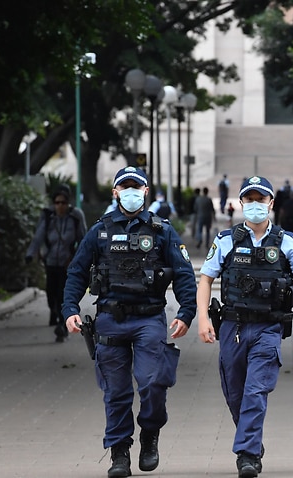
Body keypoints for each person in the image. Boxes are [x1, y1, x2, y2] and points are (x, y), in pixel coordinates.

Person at [62, 166, 197, 478]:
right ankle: (119, 452)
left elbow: (184, 274)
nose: (131, 192)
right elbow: (77, 272)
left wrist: (186, 312)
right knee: (116, 392)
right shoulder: (100, 231)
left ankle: (150, 433)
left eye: (137, 187)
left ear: (146, 191)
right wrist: (69, 308)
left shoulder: (162, 230)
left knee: (152, 383)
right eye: (125, 187)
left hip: (149, 319)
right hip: (110, 319)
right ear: (116, 192)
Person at [196, 176, 293, 478]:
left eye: (261, 200)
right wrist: (203, 318)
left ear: (271, 204)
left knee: (255, 391)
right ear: (241, 203)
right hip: (232, 327)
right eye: (250, 200)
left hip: (268, 329)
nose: (255, 205)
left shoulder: (286, 241)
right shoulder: (226, 240)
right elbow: (206, 279)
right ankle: (251, 440)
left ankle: (247, 454)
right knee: (234, 393)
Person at [25, 185, 87, 341]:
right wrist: (30, 253)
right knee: (50, 292)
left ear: (68, 203)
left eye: (63, 203)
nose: (60, 206)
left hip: (67, 261)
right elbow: (38, 236)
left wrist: (81, 259)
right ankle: (53, 312)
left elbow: (83, 239)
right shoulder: (48, 216)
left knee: (61, 293)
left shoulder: (75, 216)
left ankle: (61, 324)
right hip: (51, 260)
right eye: (57, 202)